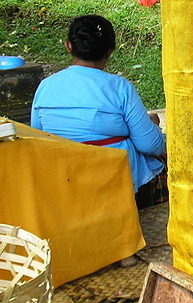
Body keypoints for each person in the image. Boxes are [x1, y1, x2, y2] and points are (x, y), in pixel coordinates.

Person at [31, 15, 166, 201]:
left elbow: (37, 138)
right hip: (114, 183)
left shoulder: (45, 86)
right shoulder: (119, 87)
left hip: (63, 181)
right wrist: (154, 128)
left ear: (68, 46)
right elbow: (150, 145)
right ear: (110, 52)